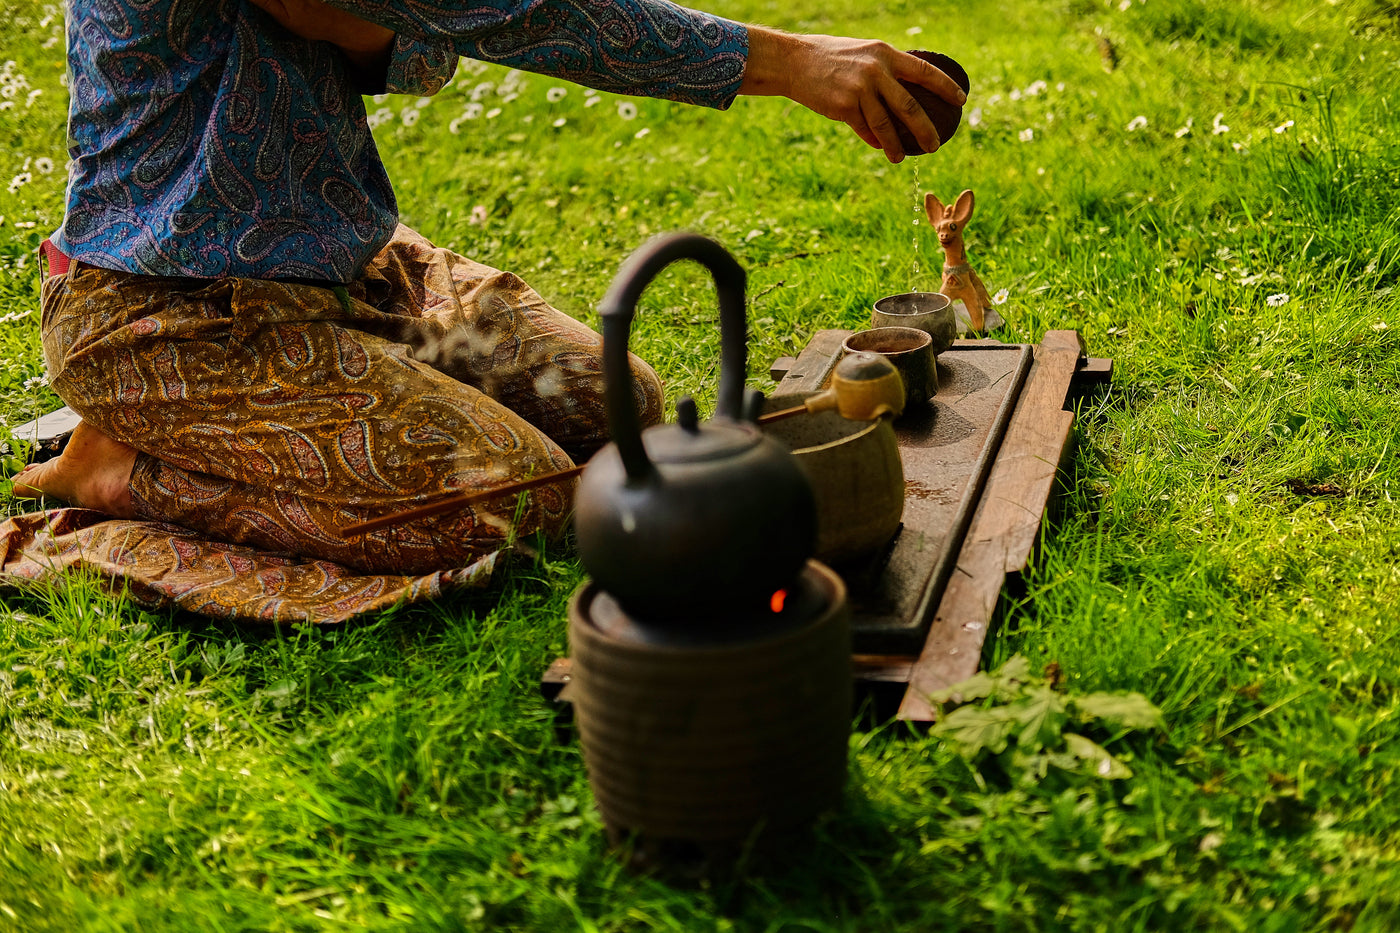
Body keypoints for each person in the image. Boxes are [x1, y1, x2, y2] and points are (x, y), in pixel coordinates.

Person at [11, 0, 964, 618]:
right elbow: (509, 13)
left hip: (360, 273)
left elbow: (413, 47)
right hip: (173, 311)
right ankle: (122, 471)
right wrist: (788, 61)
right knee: (522, 506)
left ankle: (341, 396)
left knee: (620, 406)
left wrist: (359, 19)